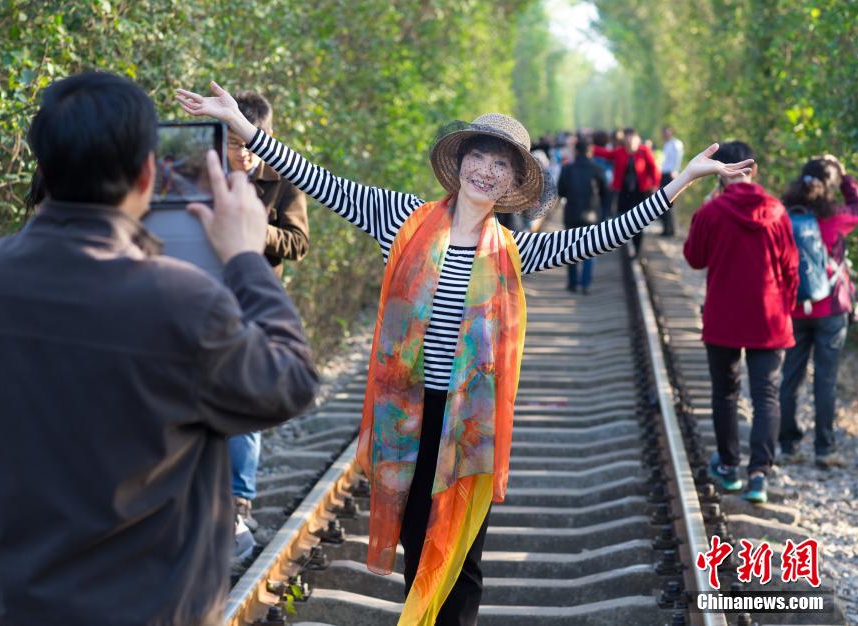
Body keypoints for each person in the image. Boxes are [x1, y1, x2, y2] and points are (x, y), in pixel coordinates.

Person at [176, 80, 752, 625]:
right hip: (407, 416)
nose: (487, 170)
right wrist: (243, 128)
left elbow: (604, 234)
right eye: (480, 156)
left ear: (512, 182)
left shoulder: (514, 250)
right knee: (417, 541)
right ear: (461, 163)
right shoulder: (400, 220)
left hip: (470, 425)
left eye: (501, 164)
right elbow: (321, 181)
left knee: (464, 556)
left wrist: (682, 180)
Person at [0, 72, 319, 626]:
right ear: (147, 174)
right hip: (150, 606)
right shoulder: (183, 301)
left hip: (14, 601)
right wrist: (243, 257)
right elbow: (290, 384)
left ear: (43, 166)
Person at [682, 141, 799, 504]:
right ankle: (759, 476)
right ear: (754, 170)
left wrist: (703, 211)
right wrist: (786, 309)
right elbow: (791, 268)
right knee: (766, 395)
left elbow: (695, 258)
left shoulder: (712, 211)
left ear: (718, 172)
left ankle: (729, 467)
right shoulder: (777, 211)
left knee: (726, 392)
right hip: (769, 317)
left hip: (724, 317)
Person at [225, 90, 310, 543]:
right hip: (205, 296)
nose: (240, 154)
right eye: (232, 144)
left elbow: (298, 242)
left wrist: (255, 231)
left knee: (246, 397)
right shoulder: (204, 172)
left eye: (248, 144)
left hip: (257, 300)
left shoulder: (284, 178)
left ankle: (239, 498)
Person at [778, 156, 858, 469]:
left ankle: (788, 445)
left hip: (794, 308)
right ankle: (824, 449)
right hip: (831, 308)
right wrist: (846, 178)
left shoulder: (783, 215)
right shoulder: (837, 216)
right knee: (825, 380)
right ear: (829, 186)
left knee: (790, 377)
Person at [593, 127, 660, 255]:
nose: (629, 142)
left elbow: (654, 168)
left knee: (639, 222)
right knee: (622, 220)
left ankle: (636, 251)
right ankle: (625, 249)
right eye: (627, 139)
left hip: (639, 193)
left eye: (632, 139)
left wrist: (654, 185)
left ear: (637, 139)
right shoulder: (619, 151)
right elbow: (606, 154)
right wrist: (589, 148)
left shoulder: (644, 151)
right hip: (623, 193)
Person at [557, 135, 610, 294]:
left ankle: (573, 283)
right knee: (589, 251)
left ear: (576, 151)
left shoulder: (567, 169)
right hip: (592, 215)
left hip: (572, 214)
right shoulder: (598, 169)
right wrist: (604, 216)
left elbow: (561, 191)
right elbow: (606, 195)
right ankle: (585, 283)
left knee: (571, 249)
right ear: (590, 151)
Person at [660, 126, 685, 236]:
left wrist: (675, 170)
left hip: (671, 174)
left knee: (669, 201)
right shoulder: (666, 144)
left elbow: (678, 158)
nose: (665, 134)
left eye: (667, 132)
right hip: (664, 174)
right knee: (663, 201)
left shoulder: (676, 143)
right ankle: (666, 228)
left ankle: (671, 229)